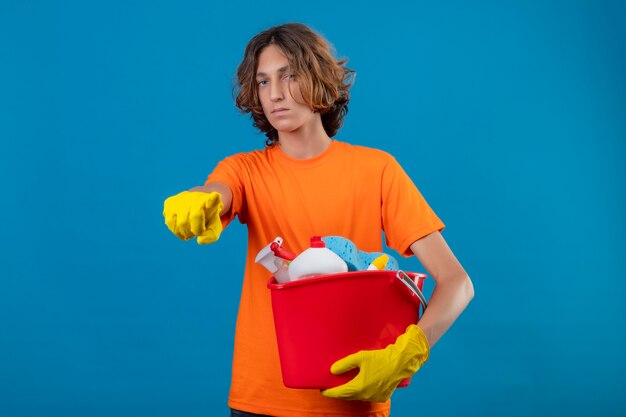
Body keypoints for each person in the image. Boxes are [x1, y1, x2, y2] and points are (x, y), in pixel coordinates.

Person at [163, 22, 474, 417]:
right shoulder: (245, 170)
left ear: (319, 78)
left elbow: (457, 283)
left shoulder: (377, 170)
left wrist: (412, 349)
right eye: (263, 81)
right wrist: (198, 200)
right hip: (260, 401)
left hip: (354, 400)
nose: (274, 94)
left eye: (289, 76)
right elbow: (218, 191)